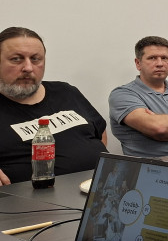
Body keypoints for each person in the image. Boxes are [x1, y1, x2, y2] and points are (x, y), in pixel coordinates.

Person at [0, 27, 108, 185]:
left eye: (36, 59)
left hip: (99, 189)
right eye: (16, 59)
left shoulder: (66, 91)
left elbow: (100, 132)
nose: (28, 68)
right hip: (34, 198)